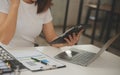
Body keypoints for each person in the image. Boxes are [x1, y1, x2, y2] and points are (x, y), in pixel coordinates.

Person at [0, 0, 83, 48]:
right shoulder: (6, 2)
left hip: (28, 55)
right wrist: (15, 5)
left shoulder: (42, 4)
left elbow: (51, 38)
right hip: (6, 54)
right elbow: (4, 39)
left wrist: (65, 42)